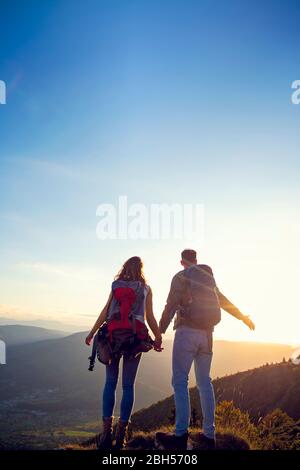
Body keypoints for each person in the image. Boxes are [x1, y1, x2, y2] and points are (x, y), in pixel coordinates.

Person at [157, 249, 255, 450]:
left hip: (186, 333)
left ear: (182, 261)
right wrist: (243, 317)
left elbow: (170, 306)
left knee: (180, 381)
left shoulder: (180, 277)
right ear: (196, 260)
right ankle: (209, 435)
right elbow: (223, 301)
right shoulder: (207, 278)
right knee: (204, 382)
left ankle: (180, 434)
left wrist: (159, 333)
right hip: (207, 335)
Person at [85, 256, 162, 450]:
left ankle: (105, 434)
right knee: (128, 386)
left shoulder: (115, 285)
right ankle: (121, 436)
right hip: (135, 340)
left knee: (110, 383)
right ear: (141, 269)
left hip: (112, 338)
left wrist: (92, 332)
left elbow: (105, 312)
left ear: (124, 268)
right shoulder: (146, 289)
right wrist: (158, 337)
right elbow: (150, 317)